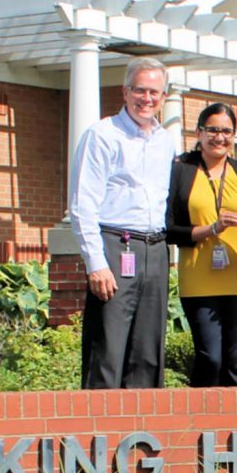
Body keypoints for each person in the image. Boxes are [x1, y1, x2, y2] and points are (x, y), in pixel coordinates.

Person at [69, 57, 176, 389]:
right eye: (139, 90)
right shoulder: (102, 135)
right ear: (125, 91)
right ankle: (98, 432)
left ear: (164, 96)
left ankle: (142, 432)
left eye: (154, 92)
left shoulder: (165, 141)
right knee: (109, 348)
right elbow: (82, 203)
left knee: (148, 349)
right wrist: (96, 263)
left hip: (155, 249)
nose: (147, 99)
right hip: (116, 245)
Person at [166, 103, 237, 387]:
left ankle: (235, 426)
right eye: (213, 130)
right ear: (199, 132)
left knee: (235, 360)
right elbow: (169, 229)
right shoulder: (181, 171)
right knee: (210, 357)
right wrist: (211, 229)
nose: (220, 137)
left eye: (227, 131)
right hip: (199, 280)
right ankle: (203, 425)